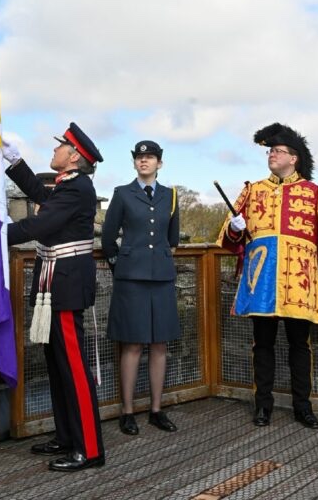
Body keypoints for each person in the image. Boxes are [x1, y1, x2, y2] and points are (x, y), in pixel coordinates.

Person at [217, 122, 318, 430]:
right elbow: (230, 237)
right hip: (261, 278)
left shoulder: (314, 192)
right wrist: (234, 228)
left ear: (294, 158)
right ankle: (262, 404)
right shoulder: (251, 190)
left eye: (277, 151)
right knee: (261, 344)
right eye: (270, 151)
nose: (271, 155)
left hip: (299, 280)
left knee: (300, 345)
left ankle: (303, 406)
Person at [1, 122, 105, 472]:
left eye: (61, 146)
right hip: (53, 282)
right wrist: (14, 162)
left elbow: (39, 226)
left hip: (66, 284)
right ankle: (66, 436)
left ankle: (89, 448)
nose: (56, 149)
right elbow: (42, 196)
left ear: (73, 156)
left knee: (74, 369)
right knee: (58, 365)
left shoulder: (77, 189)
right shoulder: (68, 186)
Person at [101, 140, 181, 436]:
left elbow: (172, 239)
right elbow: (108, 237)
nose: (144, 161)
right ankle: (127, 411)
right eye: (139, 157)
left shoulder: (171, 195)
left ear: (159, 163)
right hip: (130, 279)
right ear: (134, 163)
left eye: (149, 157)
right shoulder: (122, 194)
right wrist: (120, 266)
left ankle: (157, 409)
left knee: (160, 344)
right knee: (132, 344)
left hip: (161, 277)